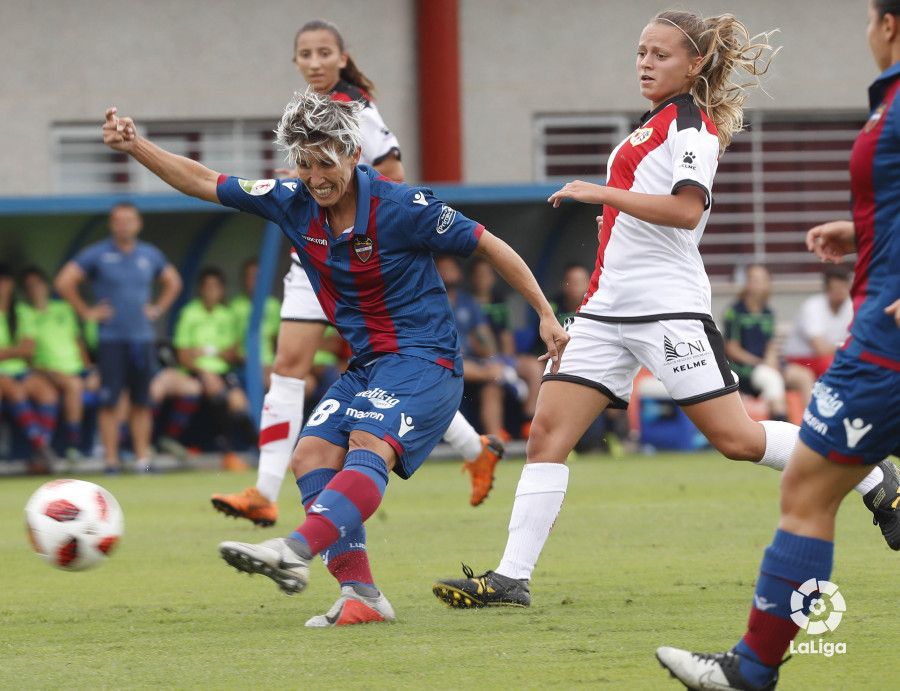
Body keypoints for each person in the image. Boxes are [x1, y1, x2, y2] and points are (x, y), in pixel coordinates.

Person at [431, 8, 897, 611]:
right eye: (641, 53)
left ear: (694, 64)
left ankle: (872, 473)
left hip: (667, 309)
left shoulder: (691, 127)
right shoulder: (648, 127)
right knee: (547, 434)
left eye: (661, 54)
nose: (646, 64)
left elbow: (686, 210)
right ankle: (511, 577)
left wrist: (601, 194)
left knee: (737, 439)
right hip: (604, 312)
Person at [100, 89, 568, 627]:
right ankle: (361, 596)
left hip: (426, 362)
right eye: (304, 163)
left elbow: (489, 244)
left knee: (369, 443)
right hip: (368, 366)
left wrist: (544, 313)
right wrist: (137, 147)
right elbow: (206, 181)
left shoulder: (401, 207)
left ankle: (293, 549)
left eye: (326, 162)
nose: (315, 175)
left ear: (352, 154)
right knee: (311, 455)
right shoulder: (291, 198)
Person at [657, 3, 900, 687]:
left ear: (887, 25)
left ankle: (751, 670)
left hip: (886, 340)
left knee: (808, 492)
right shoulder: (889, 103)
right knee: (810, 487)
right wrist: (864, 231)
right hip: (879, 330)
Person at [212, 19, 502, 525]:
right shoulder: (307, 115)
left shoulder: (357, 109)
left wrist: (342, 193)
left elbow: (394, 173)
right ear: (297, 63)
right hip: (315, 259)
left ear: (343, 59)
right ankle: (263, 491)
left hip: (364, 262)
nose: (317, 61)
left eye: (326, 52)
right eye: (307, 54)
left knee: (389, 369)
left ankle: (474, 449)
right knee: (289, 366)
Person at [55, 203, 182, 472]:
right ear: (112, 225)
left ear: (138, 224)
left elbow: (173, 282)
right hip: (112, 339)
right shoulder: (98, 254)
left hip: (142, 339)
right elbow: (65, 281)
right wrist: (87, 311)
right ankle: (111, 460)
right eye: (118, 220)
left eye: (129, 220)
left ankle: (142, 460)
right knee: (109, 401)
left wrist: (157, 308)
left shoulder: (149, 254)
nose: (124, 225)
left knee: (142, 402)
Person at [163, 267, 255, 471]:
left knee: (239, 403)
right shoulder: (189, 313)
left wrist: (205, 351)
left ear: (222, 290)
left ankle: (257, 452)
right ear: (200, 290)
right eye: (208, 287)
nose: (212, 292)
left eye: (216, 287)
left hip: (222, 372)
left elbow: (232, 353)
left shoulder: (226, 315)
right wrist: (204, 367)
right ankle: (227, 453)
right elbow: (183, 355)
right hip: (195, 372)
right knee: (216, 391)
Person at [20, 266, 97, 461]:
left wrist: (88, 367)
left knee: (113, 387)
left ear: (46, 285)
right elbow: (27, 349)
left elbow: (77, 339)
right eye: (29, 287)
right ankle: (73, 445)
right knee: (73, 385)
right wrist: (38, 369)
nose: (35, 289)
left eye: (38, 284)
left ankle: (114, 446)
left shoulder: (63, 308)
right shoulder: (24, 312)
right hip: (48, 370)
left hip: (76, 368)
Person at [723, 264, 815, 419]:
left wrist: (771, 360)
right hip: (745, 370)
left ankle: (811, 426)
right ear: (747, 283)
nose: (757, 283)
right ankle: (781, 422)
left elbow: (770, 345)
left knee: (804, 376)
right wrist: (761, 362)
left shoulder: (768, 312)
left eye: (761, 279)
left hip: (766, 365)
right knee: (772, 379)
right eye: (753, 279)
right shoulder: (735, 312)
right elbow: (732, 349)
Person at [469, 257, 543, 435]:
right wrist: (494, 362)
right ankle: (496, 440)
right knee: (492, 390)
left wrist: (506, 361)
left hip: (504, 361)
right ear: (472, 278)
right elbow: (473, 340)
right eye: (479, 275)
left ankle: (529, 423)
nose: (482, 278)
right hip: (481, 363)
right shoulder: (467, 303)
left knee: (534, 367)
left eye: (486, 274)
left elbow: (506, 336)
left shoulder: (499, 303)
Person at [437, 256, 508, 439]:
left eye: (450, 269)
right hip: (442, 365)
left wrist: (486, 351)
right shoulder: (428, 302)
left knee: (492, 387)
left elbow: (488, 345)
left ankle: (495, 445)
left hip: (471, 364)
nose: (447, 274)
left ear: (459, 274)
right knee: (458, 364)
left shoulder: (468, 302)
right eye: (441, 269)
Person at [0, 264, 58, 472]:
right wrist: (16, 350)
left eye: (4, 282)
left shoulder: (20, 312)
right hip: (3, 375)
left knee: (47, 393)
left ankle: (40, 453)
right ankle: (41, 445)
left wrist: (9, 352)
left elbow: (28, 350)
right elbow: (21, 349)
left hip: (21, 371)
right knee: (13, 389)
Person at [782, 264, 853, 380]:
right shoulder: (812, 307)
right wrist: (847, 346)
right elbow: (821, 350)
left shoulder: (850, 307)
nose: (840, 292)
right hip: (800, 361)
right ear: (827, 289)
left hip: (831, 359)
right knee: (834, 367)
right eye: (836, 288)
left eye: (844, 287)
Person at [230, 258, 281, 388]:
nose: (254, 281)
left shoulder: (273, 305)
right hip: (244, 365)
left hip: (272, 364)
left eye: (257, 277)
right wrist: (254, 365)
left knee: (304, 383)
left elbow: (277, 342)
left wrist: (275, 365)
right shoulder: (234, 307)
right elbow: (231, 346)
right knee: (268, 382)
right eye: (250, 276)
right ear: (244, 280)